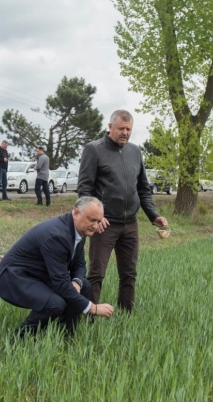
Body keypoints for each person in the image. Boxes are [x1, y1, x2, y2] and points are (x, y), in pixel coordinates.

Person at [77, 109, 168, 311]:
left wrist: (154, 216)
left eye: (128, 129)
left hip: (130, 224)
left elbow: (143, 189)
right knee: (97, 273)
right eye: (121, 128)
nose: (125, 133)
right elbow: (84, 189)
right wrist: (96, 218)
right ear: (110, 127)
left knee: (129, 273)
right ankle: (89, 316)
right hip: (104, 224)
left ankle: (126, 314)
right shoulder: (94, 149)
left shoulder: (135, 152)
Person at [0, 197, 115, 338]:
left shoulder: (79, 229)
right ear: (76, 213)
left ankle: (65, 336)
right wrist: (93, 308)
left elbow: (79, 264)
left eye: (99, 221)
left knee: (84, 285)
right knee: (55, 304)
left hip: (37, 274)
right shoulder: (57, 236)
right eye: (92, 220)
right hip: (13, 278)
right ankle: (18, 341)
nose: (95, 225)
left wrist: (77, 282)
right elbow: (60, 283)